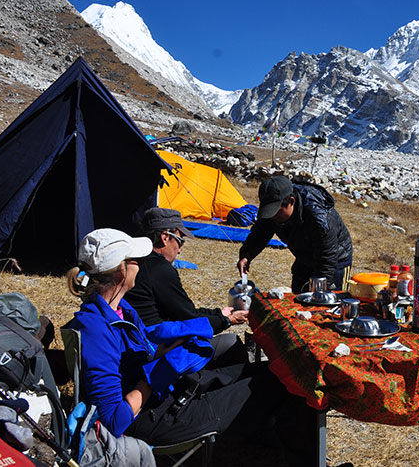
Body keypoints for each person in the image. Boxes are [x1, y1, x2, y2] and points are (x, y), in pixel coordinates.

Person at [66, 228, 316, 465]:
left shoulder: (118, 309)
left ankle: (280, 441)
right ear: (121, 270)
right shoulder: (97, 331)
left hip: (165, 394)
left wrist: (180, 340)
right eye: (135, 259)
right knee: (281, 384)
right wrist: (153, 375)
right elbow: (114, 421)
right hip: (151, 418)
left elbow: (147, 341)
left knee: (275, 372)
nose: (140, 263)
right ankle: (302, 458)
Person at [124, 207, 246, 362]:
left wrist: (219, 314)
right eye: (180, 240)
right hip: (156, 348)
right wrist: (227, 320)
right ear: (165, 237)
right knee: (232, 344)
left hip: (138, 342)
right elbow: (189, 317)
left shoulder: (135, 260)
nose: (180, 250)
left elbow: (182, 310)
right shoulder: (159, 269)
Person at [237, 176, 353, 293]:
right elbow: (260, 232)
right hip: (305, 257)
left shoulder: (319, 218)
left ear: (292, 201)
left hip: (335, 262)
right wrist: (247, 254)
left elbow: (327, 258)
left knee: (327, 304)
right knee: (298, 296)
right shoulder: (273, 211)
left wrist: (318, 291)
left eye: (277, 212)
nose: (273, 217)